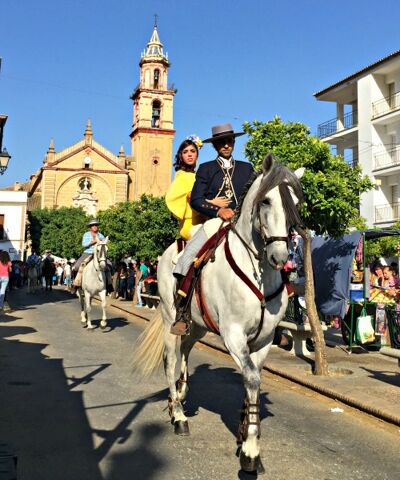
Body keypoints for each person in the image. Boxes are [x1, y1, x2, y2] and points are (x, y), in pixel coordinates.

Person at [171, 123, 254, 335]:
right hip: (215, 222)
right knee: (187, 258)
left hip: (242, 222)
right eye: (221, 142)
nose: (226, 145)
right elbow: (196, 200)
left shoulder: (247, 168)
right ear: (216, 145)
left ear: (234, 142)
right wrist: (217, 211)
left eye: (229, 141)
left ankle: (278, 318)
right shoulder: (206, 168)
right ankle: (182, 312)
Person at [166, 135, 229, 241]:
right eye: (185, 152)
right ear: (181, 156)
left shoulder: (200, 174)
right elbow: (191, 197)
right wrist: (213, 203)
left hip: (208, 220)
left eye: (192, 151)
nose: (189, 155)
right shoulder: (181, 175)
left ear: (197, 154)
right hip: (192, 225)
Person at [73, 219, 105, 287]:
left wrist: (102, 242)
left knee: (109, 266)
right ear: (90, 227)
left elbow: (104, 244)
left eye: (96, 225)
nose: (95, 226)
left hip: (99, 254)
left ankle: (109, 285)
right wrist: (92, 242)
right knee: (77, 266)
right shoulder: (86, 234)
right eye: (93, 225)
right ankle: (76, 283)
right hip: (88, 253)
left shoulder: (101, 235)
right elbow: (84, 244)